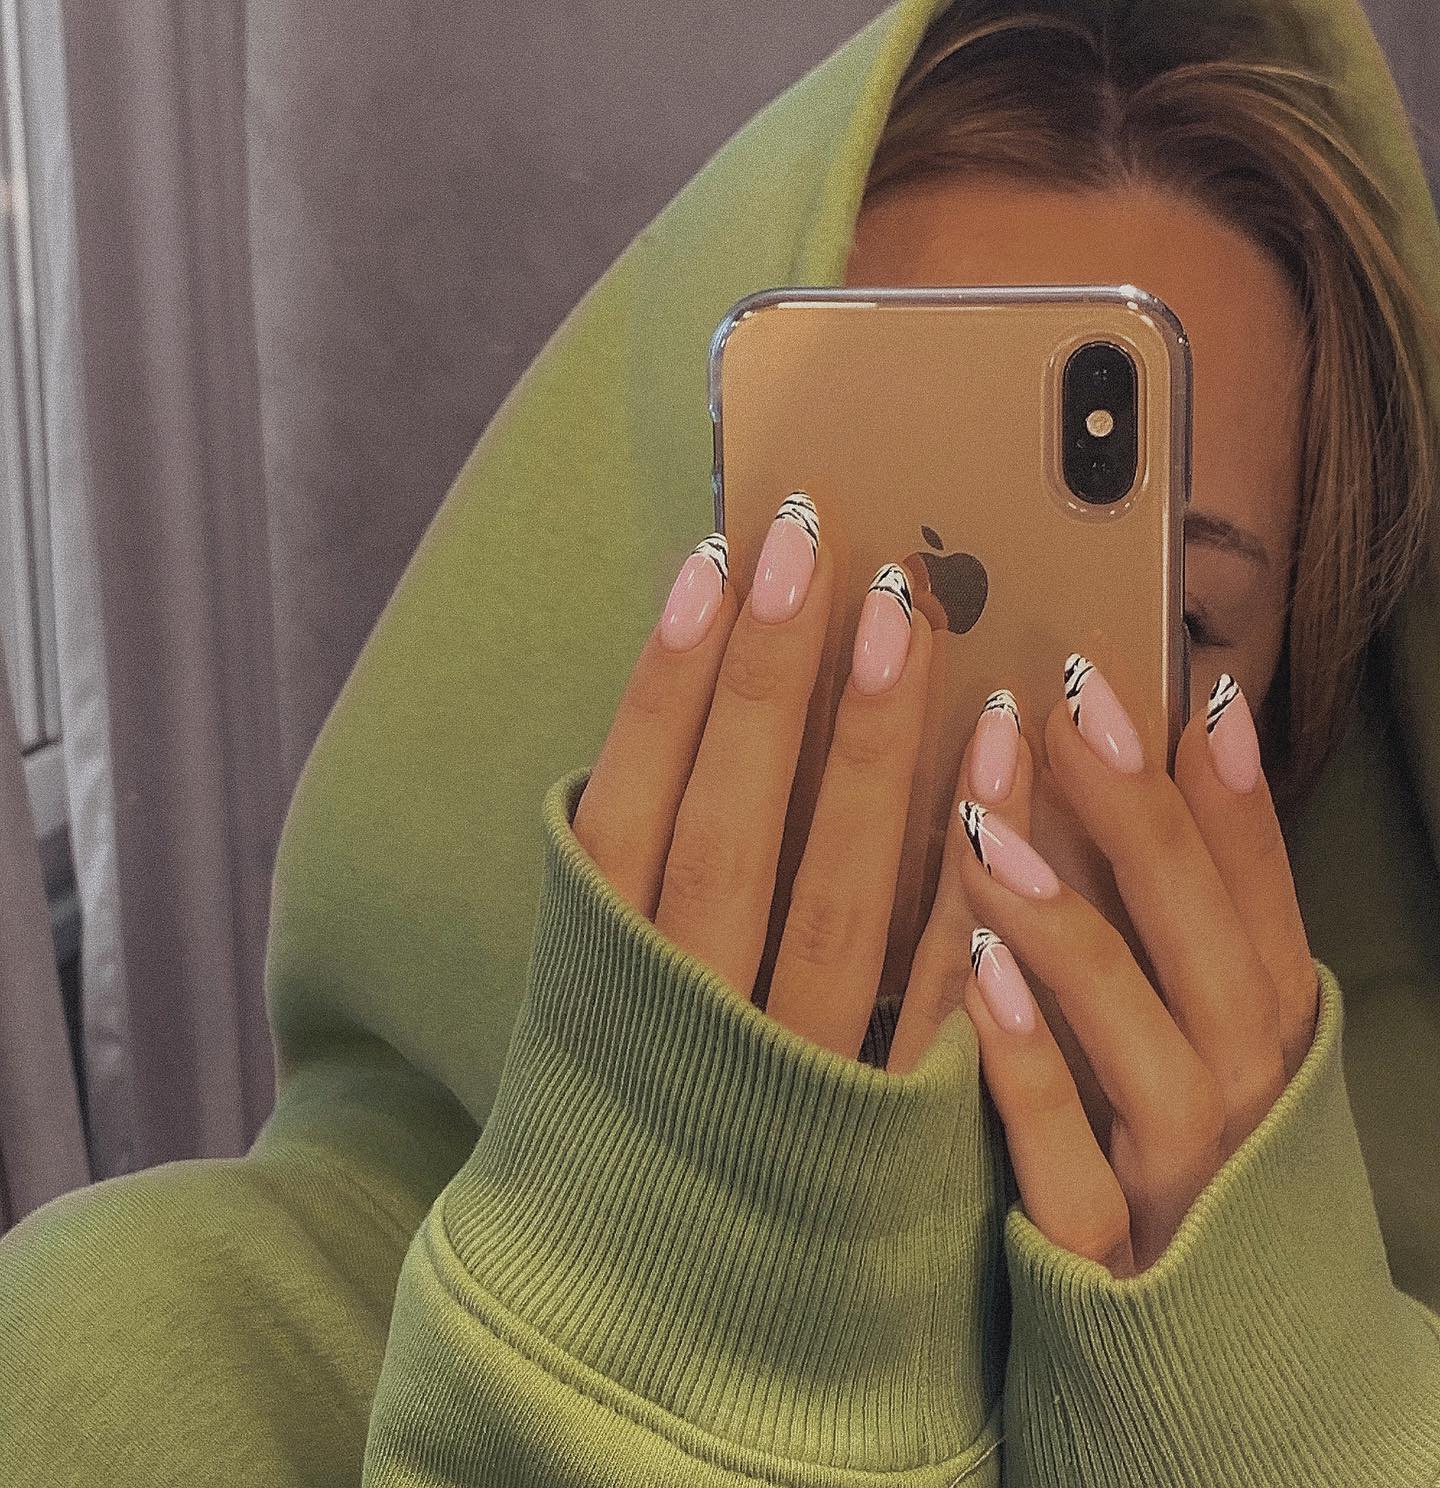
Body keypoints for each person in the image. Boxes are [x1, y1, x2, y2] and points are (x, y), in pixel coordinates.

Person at [3, 0, 1438, 1482]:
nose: (971, 747)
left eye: (1165, 616)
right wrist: (649, 1362)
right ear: (658, 582)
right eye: (837, 569)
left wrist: (1277, 1428)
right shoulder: (141, 1351)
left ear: (1292, 723)